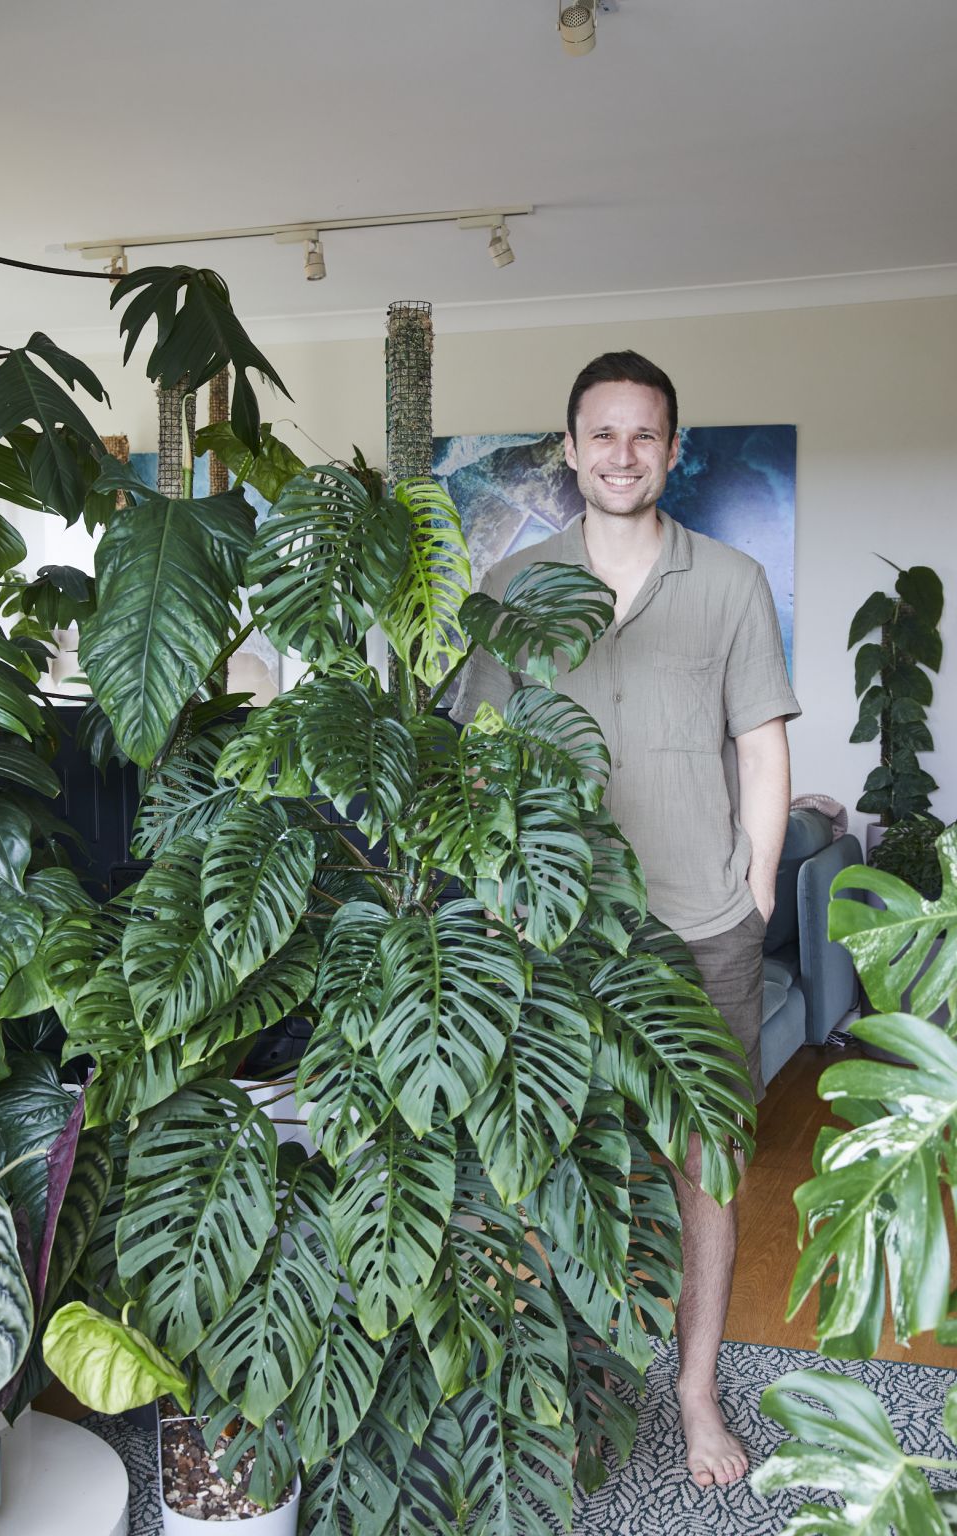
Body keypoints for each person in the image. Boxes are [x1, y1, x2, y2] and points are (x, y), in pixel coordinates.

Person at [452, 350, 799, 1488]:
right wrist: (500, 910)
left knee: (706, 1172)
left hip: (702, 926)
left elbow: (759, 743)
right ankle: (561, 1390)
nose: (621, 453)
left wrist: (752, 896)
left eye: (644, 434)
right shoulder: (513, 587)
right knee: (550, 1160)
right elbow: (482, 762)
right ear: (569, 447)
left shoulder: (732, 581)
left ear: (673, 449)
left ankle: (695, 1395)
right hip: (553, 939)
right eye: (601, 433)